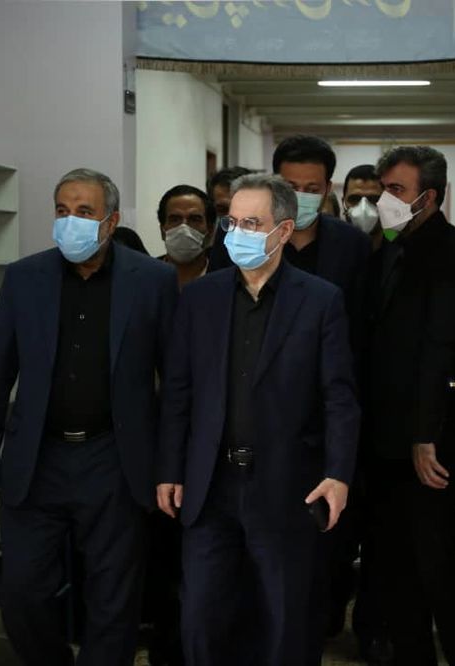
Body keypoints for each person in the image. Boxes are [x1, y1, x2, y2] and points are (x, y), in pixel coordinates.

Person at [0, 168, 177, 666]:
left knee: (113, 598)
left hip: (115, 459)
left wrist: (169, 467)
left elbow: (175, 382)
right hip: (39, 458)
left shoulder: (153, 280)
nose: (70, 221)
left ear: (111, 221)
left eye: (84, 212)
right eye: (62, 210)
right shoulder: (25, 278)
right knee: (20, 590)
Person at [157, 173, 360, 666]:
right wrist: (170, 468)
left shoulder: (320, 300)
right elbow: (179, 390)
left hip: (286, 484)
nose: (238, 233)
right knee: (201, 618)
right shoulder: (200, 298)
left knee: (283, 619)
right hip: (211, 484)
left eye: (252, 223)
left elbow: (339, 395)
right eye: (232, 222)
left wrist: (338, 473)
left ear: (284, 230)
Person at [364, 146, 455, 665]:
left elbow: (439, 346)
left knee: (436, 563)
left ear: (429, 197)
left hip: (428, 443)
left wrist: (425, 436)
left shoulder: (452, 251)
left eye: (395, 190)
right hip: (383, 439)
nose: (384, 200)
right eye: (383, 188)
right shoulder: (387, 246)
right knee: (393, 566)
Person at [208, 135, 370, 344]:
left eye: (312, 190)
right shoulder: (237, 233)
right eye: (291, 187)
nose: (299, 197)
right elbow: (215, 303)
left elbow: (357, 325)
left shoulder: (353, 244)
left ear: (328, 189)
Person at [157, 184, 215, 288]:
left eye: (194, 219)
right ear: (162, 231)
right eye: (175, 219)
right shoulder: (143, 278)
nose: (184, 228)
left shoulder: (229, 281)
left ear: (210, 231)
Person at [342, 164, 385, 247]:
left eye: (373, 199)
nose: (364, 208)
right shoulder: (329, 248)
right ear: (343, 203)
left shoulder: (403, 247)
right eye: (354, 199)